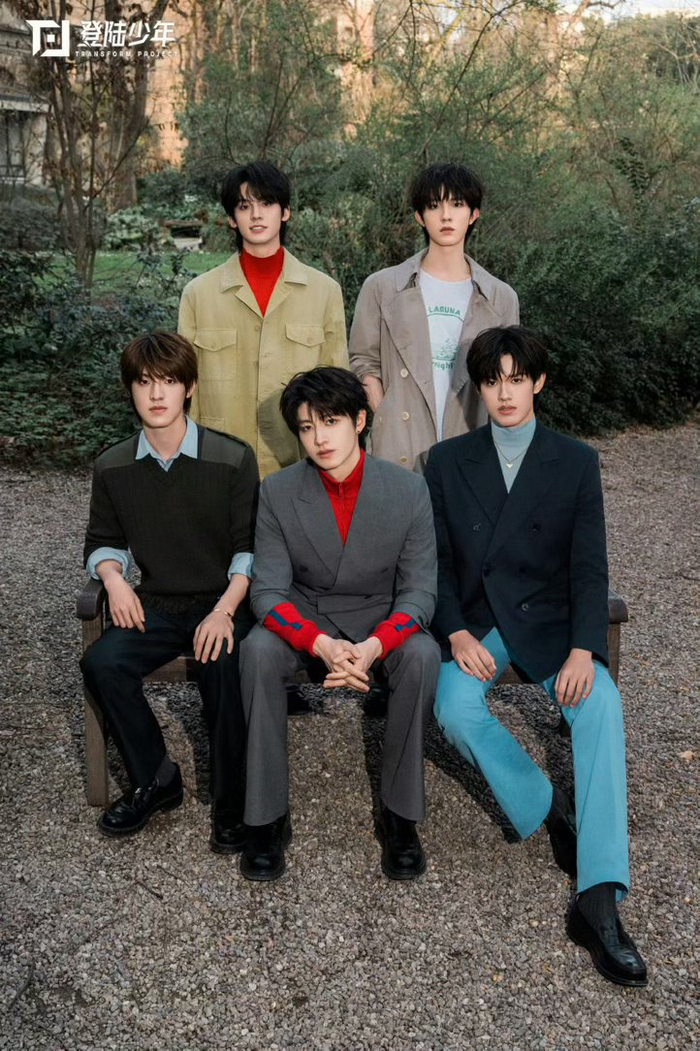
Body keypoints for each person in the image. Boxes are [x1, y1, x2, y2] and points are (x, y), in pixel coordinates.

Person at [424, 326, 647, 988]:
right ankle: (547, 804)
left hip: (551, 624)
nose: (506, 393)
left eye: (518, 379)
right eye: (493, 381)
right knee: (453, 705)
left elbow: (589, 565)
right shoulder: (445, 461)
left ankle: (599, 899)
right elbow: (436, 562)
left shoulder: (574, 461)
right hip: (479, 622)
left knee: (600, 704)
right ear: (479, 387)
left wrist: (583, 648)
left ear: (539, 382)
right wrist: (454, 632)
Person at [238, 367, 441, 882]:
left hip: (380, 617)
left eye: (331, 422)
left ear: (360, 421)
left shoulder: (409, 489)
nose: (320, 438)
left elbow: (419, 591)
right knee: (257, 651)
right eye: (307, 427)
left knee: (422, 655)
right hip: (307, 618)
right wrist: (319, 643)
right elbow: (267, 591)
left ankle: (401, 816)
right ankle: (266, 816)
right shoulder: (278, 491)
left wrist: (375, 646)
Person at [80, 332, 259, 855]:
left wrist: (224, 611)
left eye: (168, 382)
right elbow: (102, 541)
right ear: (130, 391)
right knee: (102, 662)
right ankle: (156, 779)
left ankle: (231, 799)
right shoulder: (113, 465)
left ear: (190, 388)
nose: (156, 394)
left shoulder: (232, 458)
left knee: (224, 661)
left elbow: (249, 549)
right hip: (157, 603)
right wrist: (115, 580)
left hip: (224, 601)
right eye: (144, 383)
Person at [178, 160, 348, 478]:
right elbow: (184, 390)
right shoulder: (198, 295)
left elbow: (337, 389)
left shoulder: (324, 292)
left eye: (267, 203)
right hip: (218, 464)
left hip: (299, 466)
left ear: (285, 212)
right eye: (245, 206)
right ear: (232, 218)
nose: (256, 215)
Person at [349, 161, 519, 471]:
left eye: (457, 204)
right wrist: (384, 408)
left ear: (474, 214)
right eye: (433, 205)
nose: (445, 216)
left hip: (472, 440)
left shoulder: (500, 297)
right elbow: (363, 359)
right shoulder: (382, 287)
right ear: (419, 216)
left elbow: (510, 377)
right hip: (399, 443)